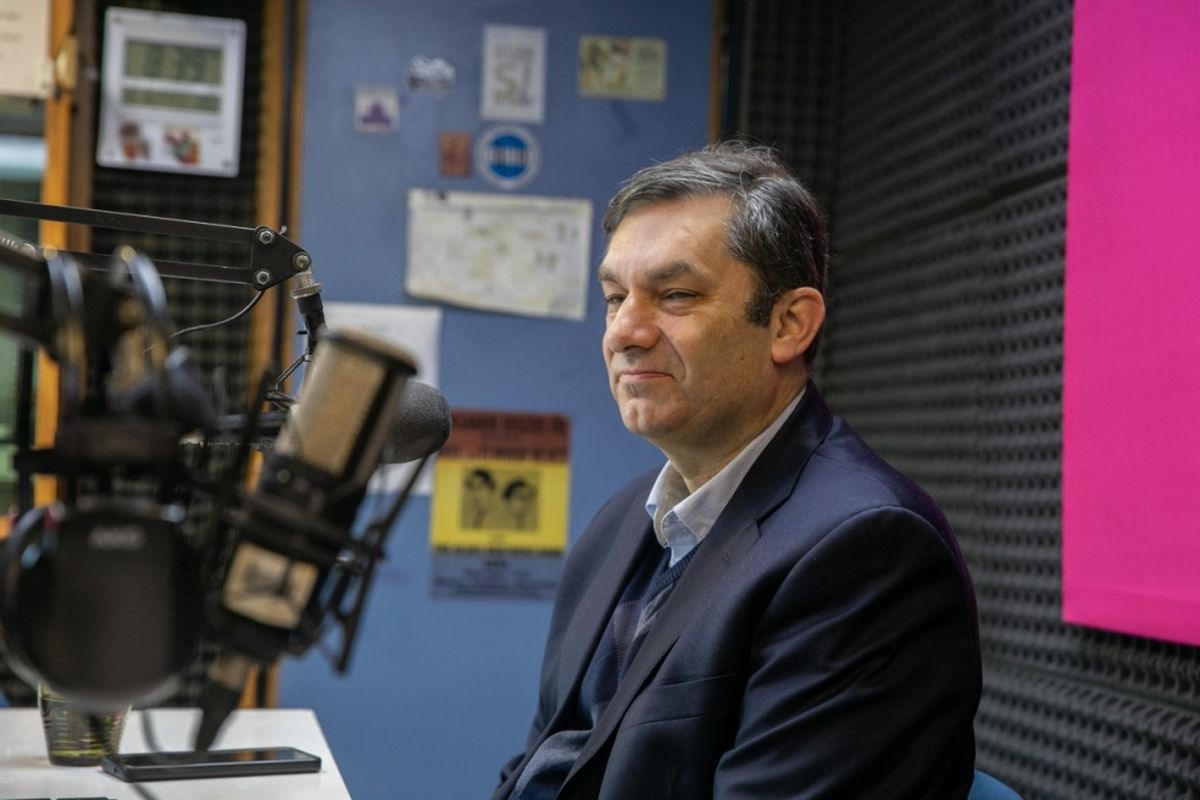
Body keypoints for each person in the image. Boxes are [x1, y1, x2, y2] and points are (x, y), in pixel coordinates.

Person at [492, 141, 981, 800]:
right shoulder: (619, 525)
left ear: (789, 324)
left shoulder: (868, 550)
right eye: (614, 298)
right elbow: (541, 769)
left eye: (675, 295)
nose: (625, 331)